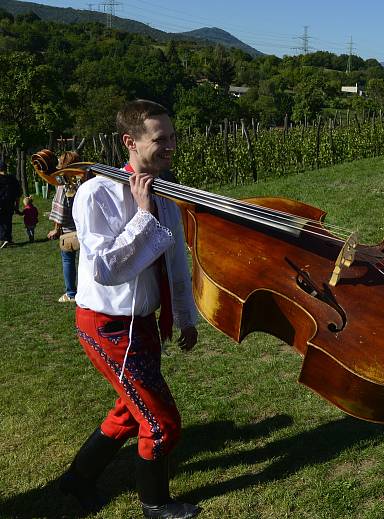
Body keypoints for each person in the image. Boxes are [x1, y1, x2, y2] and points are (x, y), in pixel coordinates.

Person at [60, 99, 201, 519]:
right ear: (130, 142)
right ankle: (155, 504)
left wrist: (185, 317)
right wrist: (141, 216)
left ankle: (76, 480)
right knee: (160, 422)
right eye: (161, 139)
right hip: (108, 326)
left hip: (144, 325)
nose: (171, 146)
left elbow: (175, 262)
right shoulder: (95, 193)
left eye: (173, 136)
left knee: (128, 411)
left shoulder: (168, 193)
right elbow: (104, 269)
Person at [47, 151, 82, 303]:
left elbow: (60, 208)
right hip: (85, 228)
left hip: (69, 231)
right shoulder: (84, 181)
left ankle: (71, 293)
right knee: (85, 262)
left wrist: (56, 228)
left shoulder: (64, 185)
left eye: (60, 162)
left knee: (68, 260)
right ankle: (87, 290)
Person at [0, 159, 21, 248]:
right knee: (8, 221)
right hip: (10, 203)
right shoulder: (12, 178)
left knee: (1, 222)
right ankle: (7, 239)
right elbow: (18, 193)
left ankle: (4, 239)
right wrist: (17, 206)